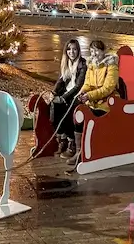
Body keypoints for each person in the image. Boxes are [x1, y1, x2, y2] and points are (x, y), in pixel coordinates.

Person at [66, 39, 120, 171]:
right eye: (91, 51)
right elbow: (88, 83)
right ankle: (78, 150)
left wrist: (89, 96)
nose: (94, 54)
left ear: (103, 51)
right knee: (76, 111)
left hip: (107, 104)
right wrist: (82, 92)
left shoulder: (111, 66)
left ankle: (86, 152)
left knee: (88, 116)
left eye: (96, 50)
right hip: (93, 102)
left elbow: (108, 88)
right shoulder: (92, 65)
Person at [46, 39, 86, 158]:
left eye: (74, 49)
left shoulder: (82, 64)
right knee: (52, 107)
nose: (71, 52)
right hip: (66, 93)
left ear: (78, 50)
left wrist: (63, 98)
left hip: (75, 95)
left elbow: (78, 85)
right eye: (69, 49)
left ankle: (72, 142)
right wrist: (53, 93)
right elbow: (60, 80)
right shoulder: (66, 63)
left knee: (67, 112)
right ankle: (62, 138)